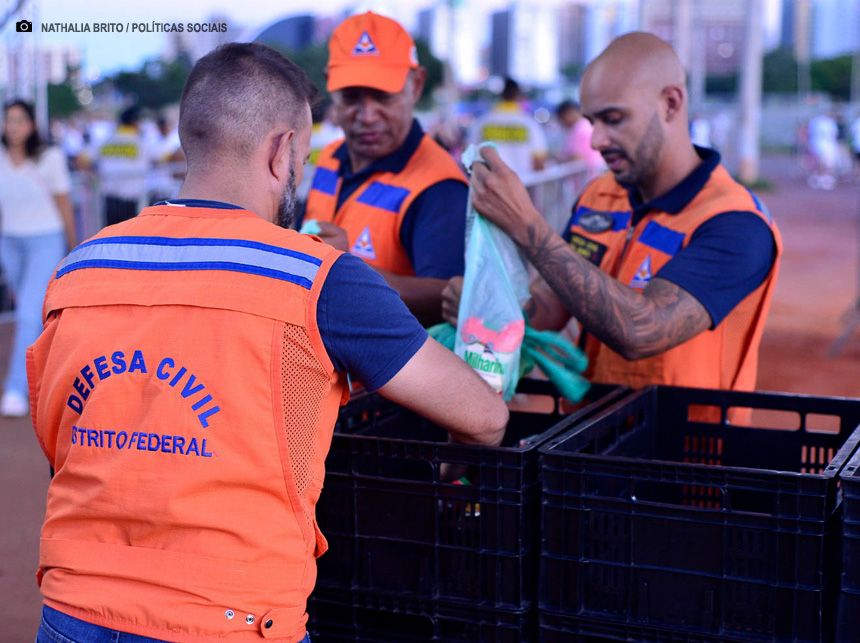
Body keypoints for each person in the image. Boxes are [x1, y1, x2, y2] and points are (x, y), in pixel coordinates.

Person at [29, 43, 508, 643]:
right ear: (282, 152)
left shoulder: (80, 269)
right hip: (234, 615)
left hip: (74, 604)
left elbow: (62, 440)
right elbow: (484, 415)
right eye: (303, 157)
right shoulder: (315, 277)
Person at [443, 32, 781, 393]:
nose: (595, 140)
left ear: (670, 103)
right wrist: (487, 308)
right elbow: (549, 309)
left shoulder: (736, 222)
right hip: (590, 435)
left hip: (686, 445)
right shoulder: (599, 194)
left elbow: (642, 330)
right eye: (591, 121)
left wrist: (529, 227)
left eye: (614, 119)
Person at [305, 12, 468, 325]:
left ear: (416, 85)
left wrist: (344, 269)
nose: (367, 115)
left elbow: (447, 299)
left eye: (383, 96)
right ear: (331, 88)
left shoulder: (438, 186)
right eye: (352, 97)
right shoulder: (328, 157)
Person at [0, 100, 75, 417]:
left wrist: (75, 247)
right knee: (33, 313)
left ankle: (16, 389)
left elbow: (64, 204)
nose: (13, 126)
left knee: (30, 313)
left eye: (19, 120)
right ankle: (48, 369)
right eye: (8, 120)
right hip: (10, 241)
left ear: (32, 124)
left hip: (46, 239)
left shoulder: (50, 157)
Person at [471, 77, 548, 175]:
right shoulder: (529, 124)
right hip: (522, 184)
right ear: (518, 95)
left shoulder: (482, 122)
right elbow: (539, 162)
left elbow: (472, 156)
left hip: (491, 185)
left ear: (500, 94)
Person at [94, 105, 156, 224]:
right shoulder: (140, 142)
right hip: (132, 201)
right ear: (135, 122)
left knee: (110, 238)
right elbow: (162, 157)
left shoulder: (106, 140)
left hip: (109, 200)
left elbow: (83, 159)